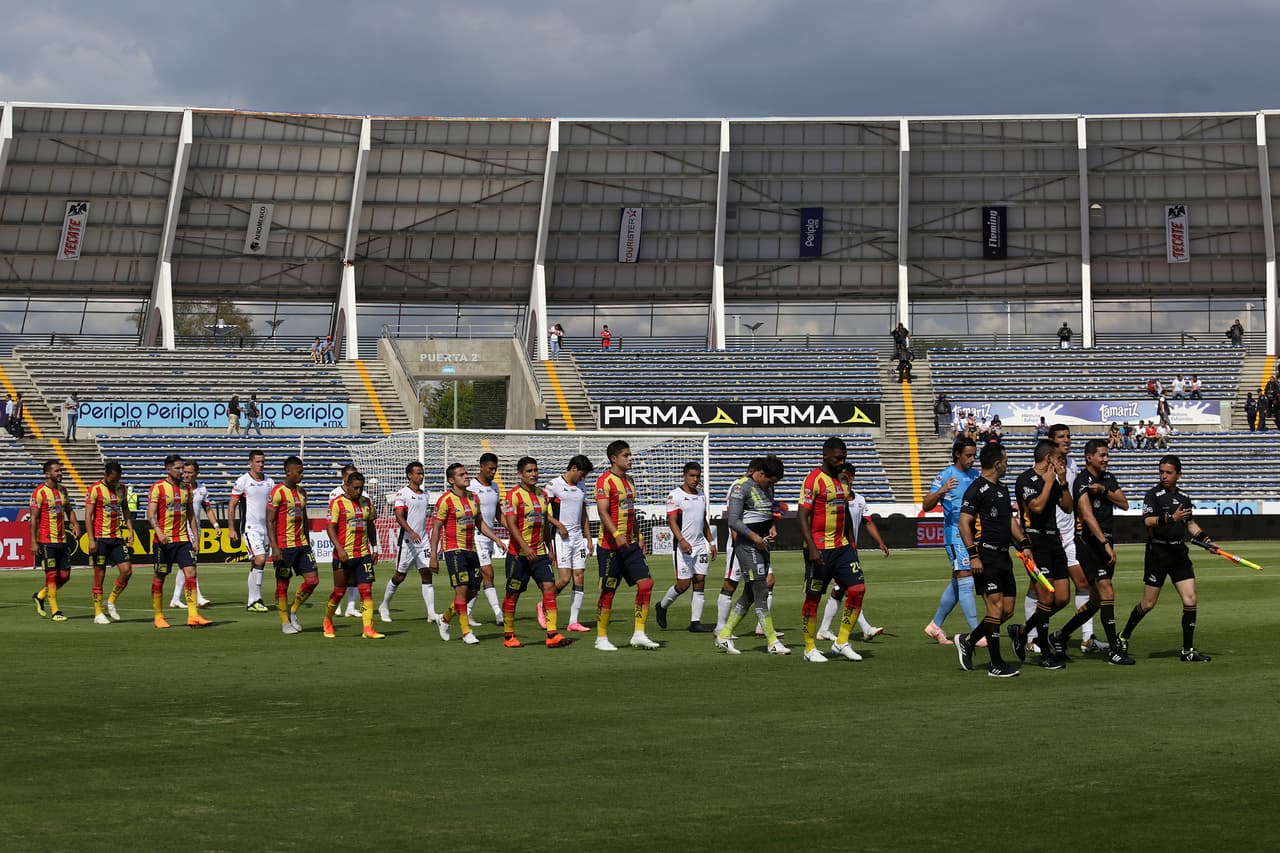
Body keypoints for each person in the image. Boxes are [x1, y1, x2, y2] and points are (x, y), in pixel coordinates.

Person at [1117, 455, 1214, 662]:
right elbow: (1148, 521)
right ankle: (1123, 636)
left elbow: (1190, 524)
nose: (1164, 476)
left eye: (1168, 472)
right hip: (1158, 553)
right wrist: (1171, 518)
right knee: (1148, 603)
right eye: (1161, 472)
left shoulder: (1184, 497)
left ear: (1179, 474)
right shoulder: (1153, 495)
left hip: (1179, 553)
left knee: (1191, 599)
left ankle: (1187, 651)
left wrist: (1207, 541)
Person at [1045, 439, 1134, 665]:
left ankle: (1060, 636)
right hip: (1089, 544)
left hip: (1105, 542)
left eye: (1107, 455)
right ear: (1089, 457)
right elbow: (1086, 515)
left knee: (1096, 601)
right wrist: (1104, 543)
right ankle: (1114, 649)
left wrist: (1104, 490)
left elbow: (1124, 503)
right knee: (1107, 593)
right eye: (1102, 455)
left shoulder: (1107, 479)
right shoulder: (1082, 481)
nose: (1106, 459)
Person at [952, 442, 1028, 678]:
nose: (1007, 465)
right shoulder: (976, 489)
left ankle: (968, 640)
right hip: (986, 556)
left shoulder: (1002, 490)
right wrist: (973, 555)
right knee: (994, 609)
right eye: (1005, 461)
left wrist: (1024, 544)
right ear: (997, 464)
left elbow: (1009, 522)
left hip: (1004, 556)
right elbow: (964, 523)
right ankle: (996, 664)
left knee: (1007, 611)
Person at [796, 437, 869, 663]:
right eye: (838, 458)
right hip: (820, 550)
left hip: (842, 547)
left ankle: (842, 641)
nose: (841, 462)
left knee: (857, 589)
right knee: (813, 597)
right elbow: (802, 515)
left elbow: (845, 513)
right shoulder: (813, 479)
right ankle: (809, 648)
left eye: (844, 458)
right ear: (826, 455)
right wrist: (812, 547)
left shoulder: (844, 480)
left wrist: (852, 543)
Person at [1006, 439, 1072, 670]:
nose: (1060, 461)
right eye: (1057, 458)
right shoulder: (1026, 479)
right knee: (1046, 598)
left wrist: (1062, 483)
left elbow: (1067, 507)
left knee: (1062, 597)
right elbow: (1036, 507)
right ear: (1048, 458)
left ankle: (1022, 631)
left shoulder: (1054, 479)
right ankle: (1044, 651)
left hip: (1054, 539)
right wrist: (1049, 482)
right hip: (1035, 541)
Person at [715, 455, 787, 656]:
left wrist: (771, 526)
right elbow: (733, 521)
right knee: (761, 589)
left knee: (749, 593)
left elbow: (767, 510)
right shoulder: (741, 487)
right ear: (761, 474)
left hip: (762, 544)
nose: (771, 486)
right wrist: (754, 537)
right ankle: (772, 641)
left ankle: (724, 635)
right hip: (747, 546)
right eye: (770, 481)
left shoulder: (768, 487)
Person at [593, 439, 660, 651]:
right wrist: (616, 533)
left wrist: (639, 535)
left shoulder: (630, 481)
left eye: (630, 455)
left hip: (630, 545)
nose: (630, 459)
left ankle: (639, 633)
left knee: (646, 584)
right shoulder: (604, 481)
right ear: (614, 458)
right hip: (609, 547)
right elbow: (603, 511)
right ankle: (601, 637)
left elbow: (631, 512)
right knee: (608, 590)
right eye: (626, 455)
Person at [501, 456, 572, 648]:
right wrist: (525, 547)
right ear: (520, 474)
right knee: (513, 594)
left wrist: (550, 548)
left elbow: (545, 524)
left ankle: (552, 633)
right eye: (529, 471)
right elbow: (511, 525)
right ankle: (508, 636)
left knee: (549, 588)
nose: (533, 474)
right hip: (519, 555)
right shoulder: (513, 495)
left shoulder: (543, 495)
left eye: (535, 470)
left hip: (540, 553)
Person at [815, 463, 889, 643]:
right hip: (833, 550)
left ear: (852, 478)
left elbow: (868, 522)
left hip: (848, 551)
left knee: (840, 591)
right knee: (851, 588)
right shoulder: (833, 499)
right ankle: (866, 628)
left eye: (847, 476)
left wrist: (880, 542)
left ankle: (824, 630)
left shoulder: (860, 500)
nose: (843, 479)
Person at [432, 462, 501, 645]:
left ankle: (445, 618)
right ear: (451, 480)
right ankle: (466, 632)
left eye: (466, 473)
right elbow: (436, 528)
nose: (466, 476)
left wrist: (496, 538)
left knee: (472, 591)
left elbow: (480, 523)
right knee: (462, 590)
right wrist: (433, 556)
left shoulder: (474, 498)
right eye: (461, 475)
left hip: (472, 549)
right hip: (454, 550)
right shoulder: (445, 500)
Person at [921, 438, 980, 645]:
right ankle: (977, 632)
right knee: (966, 581)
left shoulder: (976, 475)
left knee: (958, 583)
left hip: (973, 534)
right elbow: (926, 505)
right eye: (968, 455)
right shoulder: (945, 475)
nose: (973, 459)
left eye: (974, 455)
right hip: (955, 535)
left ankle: (935, 626)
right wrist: (941, 491)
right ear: (957, 454)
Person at [147, 454, 212, 629]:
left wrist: (196, 539)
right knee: (160, 576)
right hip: (164, 541)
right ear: (168, 469)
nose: (182, 471)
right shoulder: (158, 488)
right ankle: (158, 616)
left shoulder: (187, 488)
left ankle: (193, 615)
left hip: (183, 539)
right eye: (177, 468)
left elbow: (190, 514)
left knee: (191, 572)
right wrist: (159, 532)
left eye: (182, 468)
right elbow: (151, 514)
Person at [656, 462, 718, 633]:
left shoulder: (701, 495)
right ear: (684, 475)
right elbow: (672, 521)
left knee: (700, 581)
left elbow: (703, 521)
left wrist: (711, 542)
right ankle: (662, 606)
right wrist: (682, 540)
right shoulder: (674, 495)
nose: (695, 479)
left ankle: (695, 622)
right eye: (692, 475)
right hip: (683, 546)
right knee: (683, 584)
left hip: (699, 545)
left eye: (698, 476)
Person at [324, 471, 384, 639]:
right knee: (338, 592)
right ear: (347, 486)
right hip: (343, 555)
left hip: (363, 554)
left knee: (366, 590)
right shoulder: (337, 503)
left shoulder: (367, 503)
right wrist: (339, 549)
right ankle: (327, 621)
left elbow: (371, 526)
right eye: (356, 488)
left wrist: (375, 547)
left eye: (361, 488)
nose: (359, 491)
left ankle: (368, 629)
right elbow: (330, 528)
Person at [378, 462, 440, 623]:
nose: (421, 476)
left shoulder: (425, 494)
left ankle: (431, 613)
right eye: (418, 473)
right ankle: (384, 606)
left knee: (426, 574)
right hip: (407, 541)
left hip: (423, 540)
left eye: (422, 473)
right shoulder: (402, 494)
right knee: (400, 576)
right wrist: (411, 532)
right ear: (409, 475)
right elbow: (398, 516)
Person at [267, 455, 320, 635]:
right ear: (288, 472)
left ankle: (294, 610)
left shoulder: (302, 492)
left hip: (302, 545)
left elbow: (304, 518)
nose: (301, 475)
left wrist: (308, 539)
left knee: (313, 581)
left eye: (302, 471)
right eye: (299, 472)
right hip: (284, 546)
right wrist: (274, 547)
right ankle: (284, 622)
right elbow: (270, 521)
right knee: (283, 585)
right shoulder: (277, 492)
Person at [544, 455, 595, 633]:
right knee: (565, 578)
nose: (583, 478)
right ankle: (544, 605)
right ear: (573, 468)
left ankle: (573, 621)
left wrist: (588, 538)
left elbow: (583, 514)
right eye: (582, 474)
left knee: (579, 576)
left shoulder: (581, 486)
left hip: (578, 537)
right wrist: (558, 524)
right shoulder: (554, 485)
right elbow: (542, 511)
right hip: (561, 538)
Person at [85, 461, 135, 624]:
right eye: (112, 480)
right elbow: (88, 516)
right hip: (100, 537)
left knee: (127, 571)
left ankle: (111, 601)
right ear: (106, 475)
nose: (114, 483)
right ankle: (98, 612)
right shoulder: (95, 489)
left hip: (117, 536)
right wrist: (91, 539)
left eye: (117, 480)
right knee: (100, 574)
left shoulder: (122, 488)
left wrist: (131, 531)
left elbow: (126, 510)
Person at [30, 460, 81, 623]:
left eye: (60, 471)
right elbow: (34, 519)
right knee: (51, 576)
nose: (60, 473)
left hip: (62, 539)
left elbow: (69, 510)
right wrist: (34, 541)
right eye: (57, 471)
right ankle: (55, 611)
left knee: (65, 576)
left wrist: (75, 524)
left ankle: (40, 596)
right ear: (47, 474)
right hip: (46, 541)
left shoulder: (63, 491)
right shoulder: (39, 492)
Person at [229, 450, 276, 613]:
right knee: (260, 559)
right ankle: (256, 599)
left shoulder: (270, 482)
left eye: (263, 461)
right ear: (250, 463)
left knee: (257, 564)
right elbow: (232, 504)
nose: (261, 464)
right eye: (257, 462)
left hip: (266, 530)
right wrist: (231, 527)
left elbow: (274, 506)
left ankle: (253, 600)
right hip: (250, 528)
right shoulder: (243, 481)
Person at [466, 453, 507, 626]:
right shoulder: (471, 487)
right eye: (490, 468)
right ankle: (499, 613)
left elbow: (498, 513)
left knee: (478, 578)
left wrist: (512, 529)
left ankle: (465, 612)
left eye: (495, 469)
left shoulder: (495, 487)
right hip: (476, 537)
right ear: (481, 466)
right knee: (488, 572)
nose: (493, 472)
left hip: (488, 537)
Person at [169, 460, 215, 609]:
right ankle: (198, 597)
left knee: (187, 565)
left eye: (190, 472)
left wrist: (215, 525)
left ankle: (176, 598)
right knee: (190, 564)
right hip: (182, 529)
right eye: (185, 472)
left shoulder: (201, 489)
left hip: (196, 529)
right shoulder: (180, 488)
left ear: (196, 473)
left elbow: (207, 508)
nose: (186, 475)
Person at [330, 465, 362, 618]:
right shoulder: (335, 494)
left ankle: (351, 606)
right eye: (350, 476)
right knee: (342, 576)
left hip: (357, 540)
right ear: (344, 478)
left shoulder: (360, 492)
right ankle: (337, 604)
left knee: (355, 576)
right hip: (342, 540)